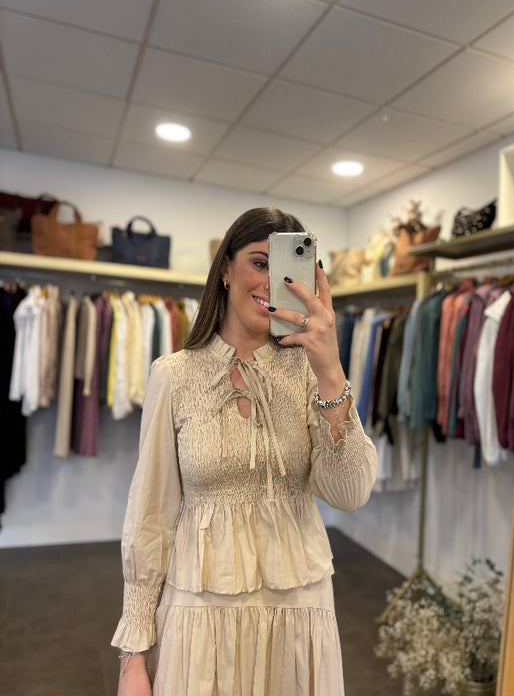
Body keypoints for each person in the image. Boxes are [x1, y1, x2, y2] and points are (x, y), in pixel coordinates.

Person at [111, 206, 378, 696]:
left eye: (287, 269)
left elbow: (351, 491)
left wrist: (330, 370)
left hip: (298, 610)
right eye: (259, 262)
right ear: (226, 269)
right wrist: (133, 655)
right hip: (201, 614)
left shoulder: (309, 372)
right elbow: (149, 516)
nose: (272, 282)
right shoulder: (174, 375)